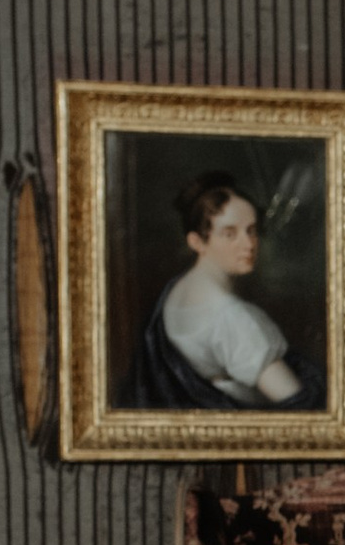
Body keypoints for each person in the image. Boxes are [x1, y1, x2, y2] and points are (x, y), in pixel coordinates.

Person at [122, 169, 322, 411]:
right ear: (196, 242)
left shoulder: (178, 287)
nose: (248, 244)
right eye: (230, 234)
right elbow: (300, 406)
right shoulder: (234, 319)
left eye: (251, 230)